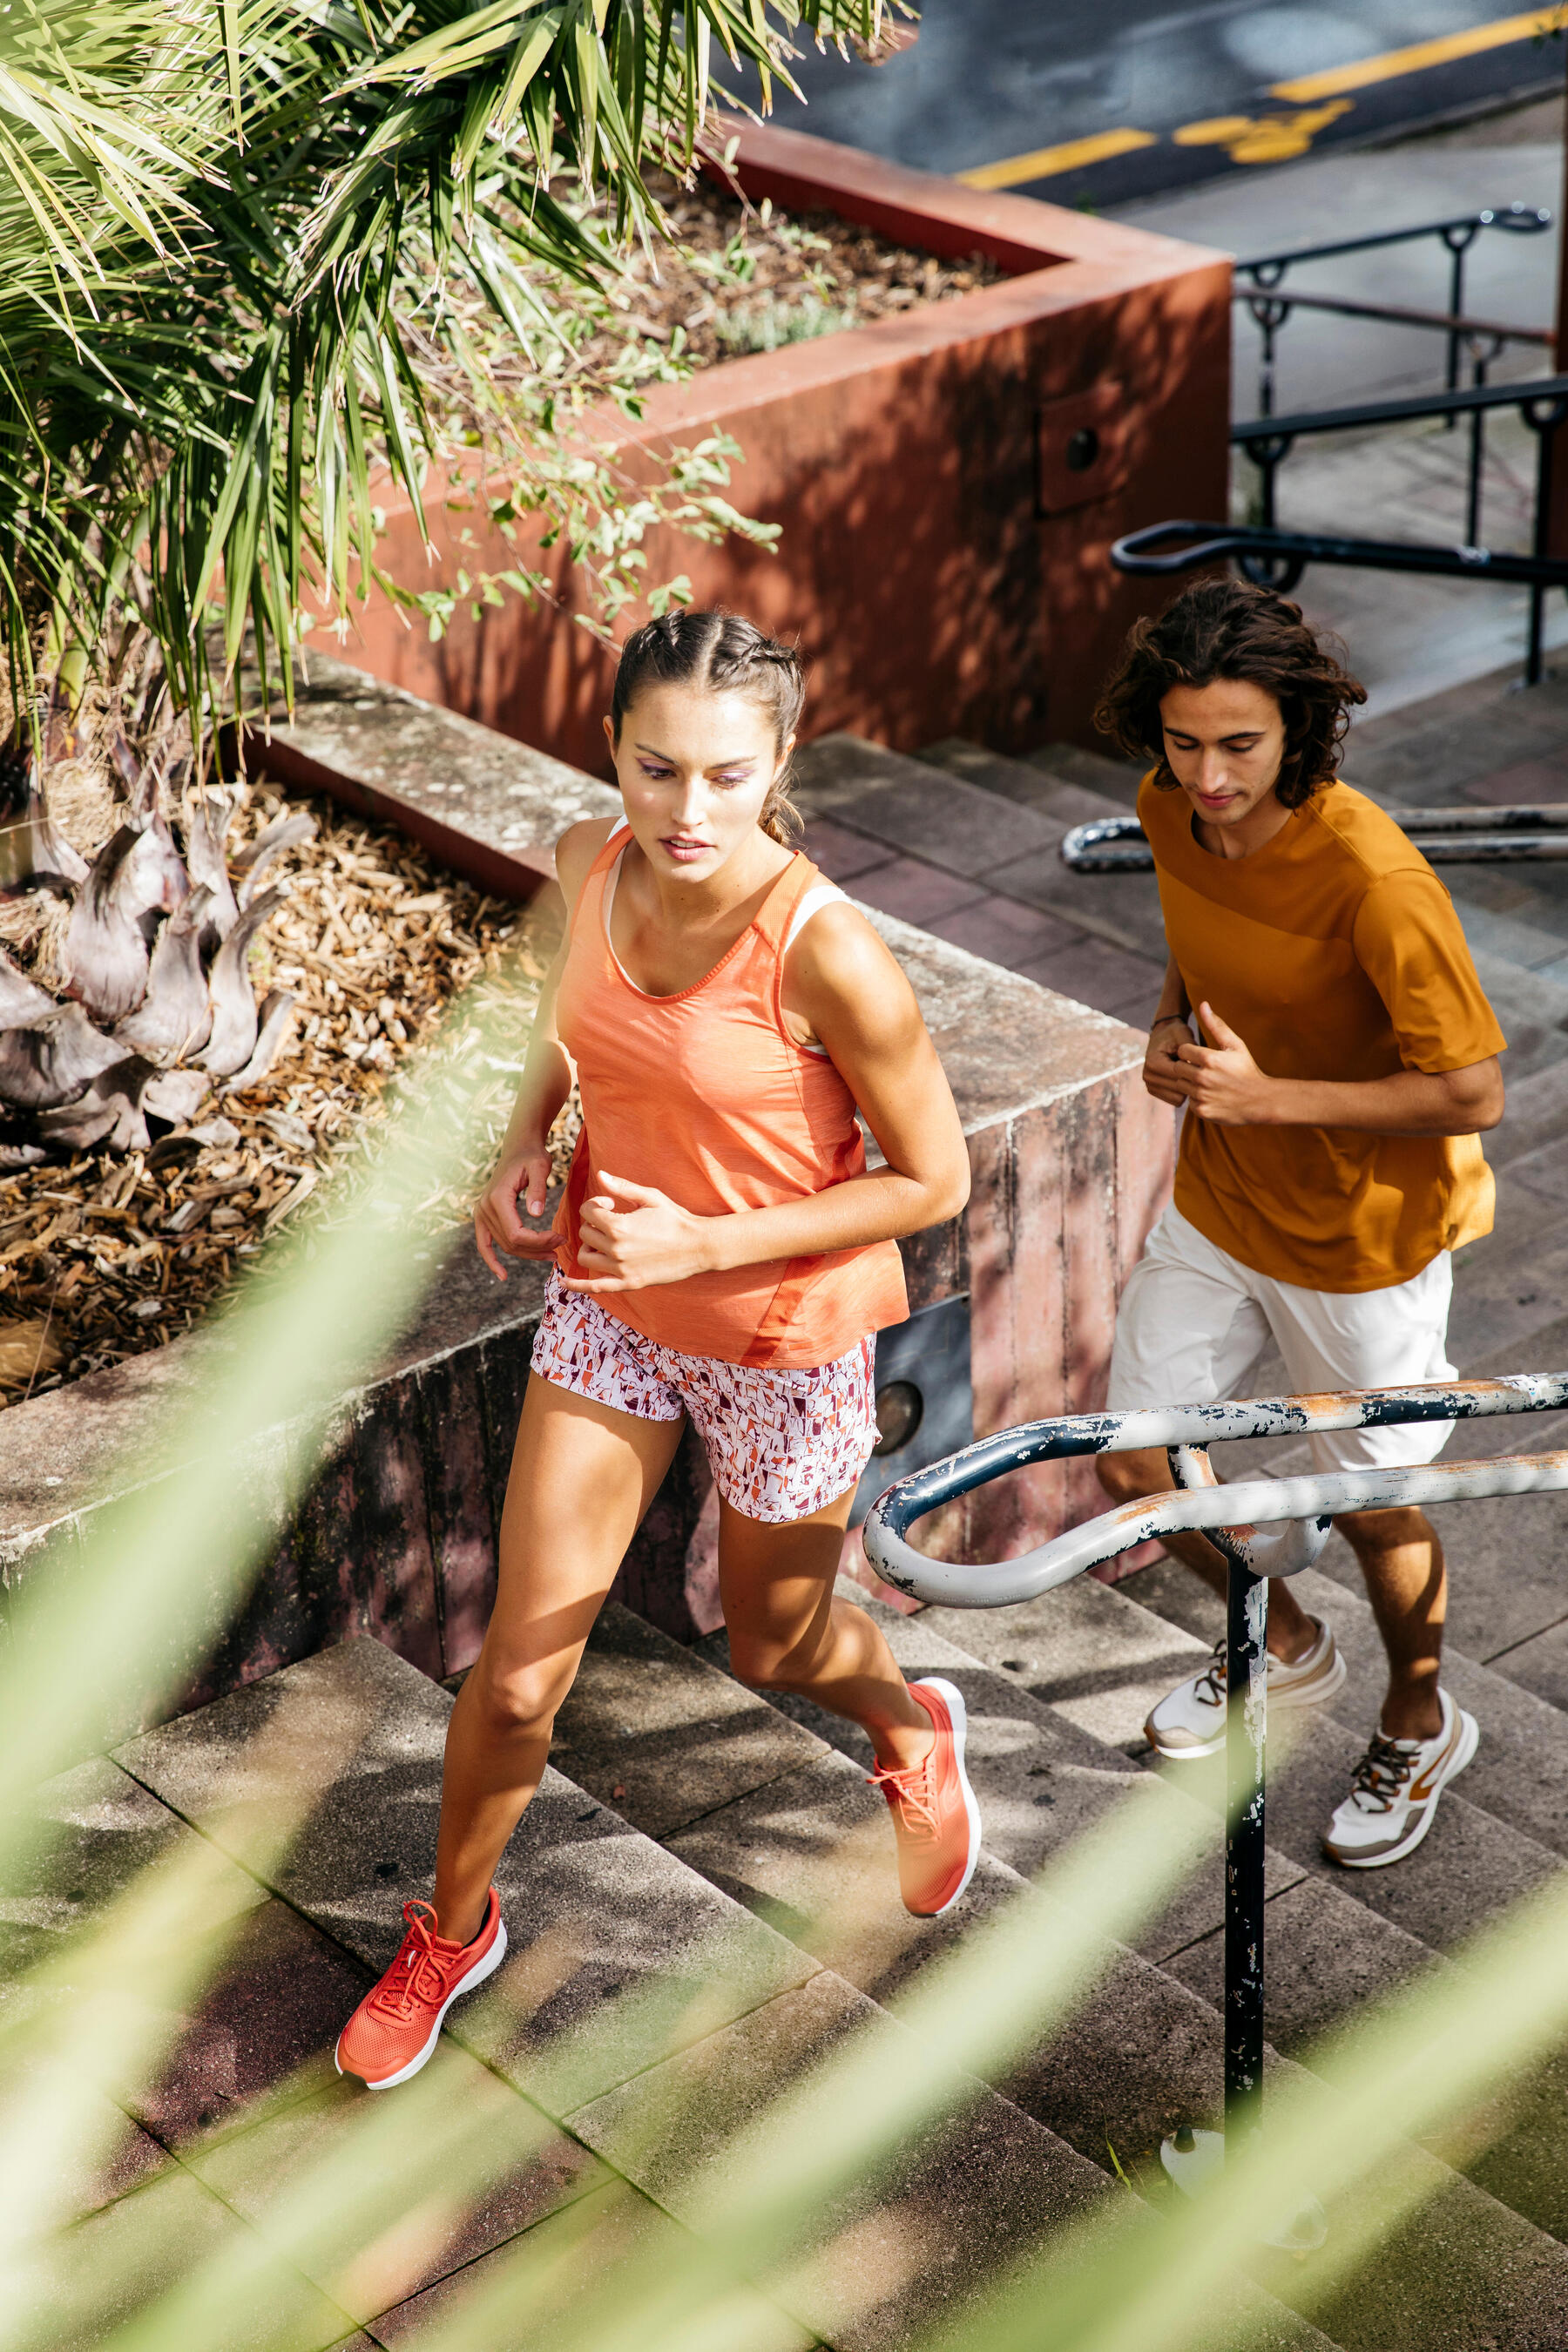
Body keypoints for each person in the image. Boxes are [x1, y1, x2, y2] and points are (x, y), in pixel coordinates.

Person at [335, 611, 978, 2090]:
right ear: (612, 750)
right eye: (656, 768)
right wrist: (521, 1150)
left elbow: (933, 1182)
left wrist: (699, 1243)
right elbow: (564, 1033)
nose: (689, 812)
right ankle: (452, 1925)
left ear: (782, 762)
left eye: (726, 776)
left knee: (777, 1644)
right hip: (610, 1312)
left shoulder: (832, 954)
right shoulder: (589, 865)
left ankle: (908, 1723)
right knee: (512, 1679)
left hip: (779, 1340)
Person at [1092, 577, 1505, 1869]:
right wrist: (1171, 1027)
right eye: (1183, 741)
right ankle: (1277, 1646)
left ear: (1300, 731)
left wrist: (1272, 1099)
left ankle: (1421, 1717)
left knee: (1378, 1507)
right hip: (1220, 1201)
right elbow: (1195, 942)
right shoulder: (1168, 809)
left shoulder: (1374, 878)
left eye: (1239, 745)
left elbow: (1474, 1085)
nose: (1207, 776)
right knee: (1136, 1467)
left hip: (1365, 1242)